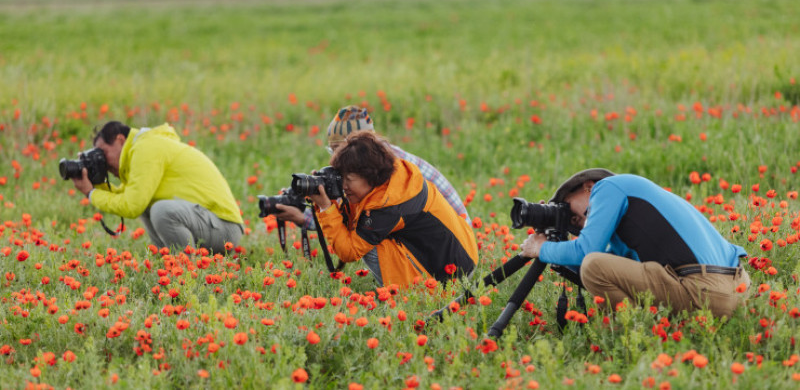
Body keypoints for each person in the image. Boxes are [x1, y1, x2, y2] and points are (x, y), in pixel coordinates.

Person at [276, 105, 470, 285]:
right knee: (369, 235)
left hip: (452, 263)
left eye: (340, 150)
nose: (336, 163)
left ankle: (410, 292)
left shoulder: (389, 194)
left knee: (371, 245)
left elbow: (351, 246)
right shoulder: (390, 167)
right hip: (454, 245)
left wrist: (322, 209)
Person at [520, 168, 750, 318]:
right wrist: (557, 244)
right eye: (573, 224)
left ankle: (634, 335)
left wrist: (541, 248)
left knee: (592, 264)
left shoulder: (607, 188)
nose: (579, 223)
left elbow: (587, 255)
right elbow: (609, 273)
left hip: (705, 290)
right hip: (738, 289)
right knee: (595, 266)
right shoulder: (634, 212)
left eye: (572, 213)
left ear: (588, 186)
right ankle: (651, 330)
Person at [307, 131, 478, 288]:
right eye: (341, 178)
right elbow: (356, 215)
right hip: (463, 256)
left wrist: (326, 207)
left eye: (349, 179)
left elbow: (349, 252)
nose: (344, 186)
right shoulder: (396, 180)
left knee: (371, 246)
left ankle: (407, 296)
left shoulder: (388, 205)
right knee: (368, 234)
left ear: (370, 176)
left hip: (453, 275)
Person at [70, 121, 244, 255]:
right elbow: (126, 197)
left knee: (161, 210)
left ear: (119, 140)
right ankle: (168, 264)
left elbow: (130, 206)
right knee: (150, 205)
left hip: (224, 227)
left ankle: (183, 272)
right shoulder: (143, 149)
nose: (103, 160)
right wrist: (96, 181)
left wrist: (91, 193)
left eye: (103, 152)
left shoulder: (146, 148)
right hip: (210, 223)